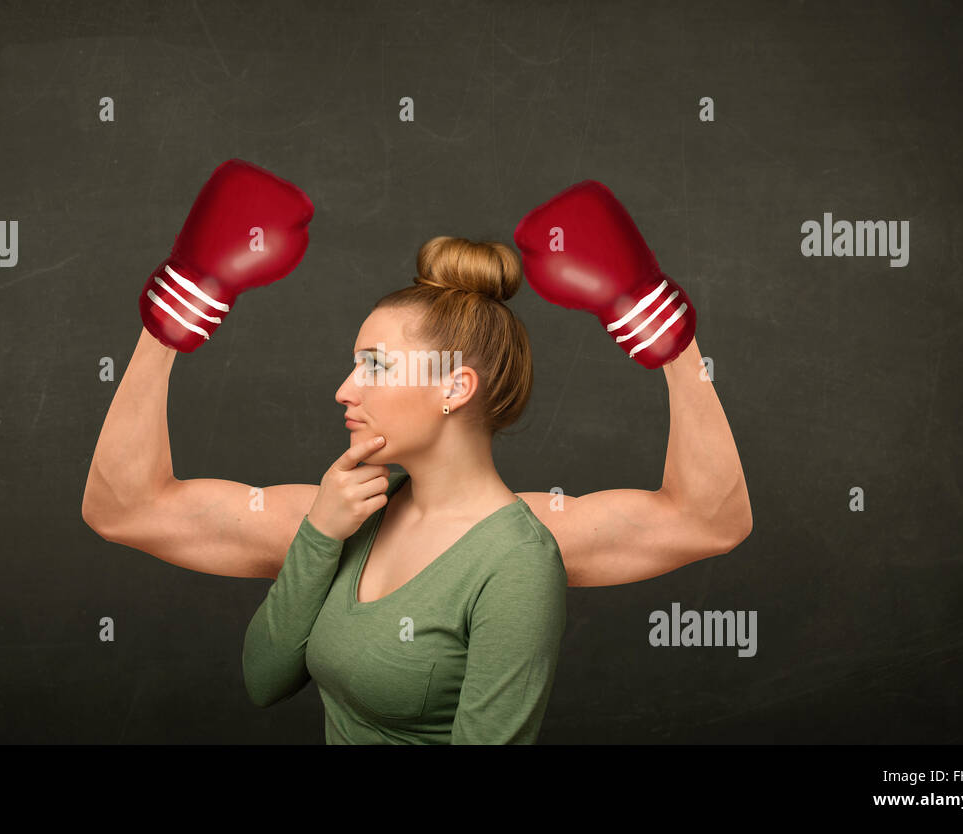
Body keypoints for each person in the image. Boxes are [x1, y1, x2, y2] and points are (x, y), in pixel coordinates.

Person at [82, 160, 753, 744]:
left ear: (454, 388)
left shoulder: (522, 550)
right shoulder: (337, 517)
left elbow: (710, 519)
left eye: (373, 366)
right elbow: (127, 509)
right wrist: (176, 309)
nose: (345, 389)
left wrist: (662, 328)